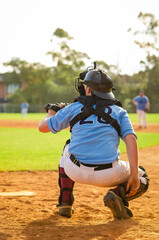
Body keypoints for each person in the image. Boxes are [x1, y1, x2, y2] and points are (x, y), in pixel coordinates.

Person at [38, 64, 149, 219]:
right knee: (143, 176)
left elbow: (42, 127)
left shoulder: (74, 107)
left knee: (68, 148)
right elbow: (130, 140)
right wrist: (134, 175)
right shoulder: (120, 112)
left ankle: (65, 202)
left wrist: (51, 113)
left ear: (88, 90)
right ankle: (116, 195)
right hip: (108, 174)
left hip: (74, 170)